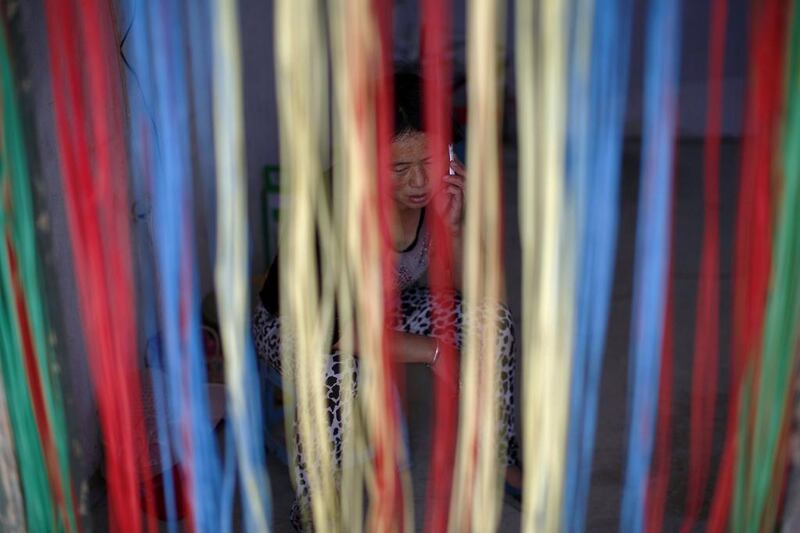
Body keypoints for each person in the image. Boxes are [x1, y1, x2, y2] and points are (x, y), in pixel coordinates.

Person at [252, 71, 521, 530]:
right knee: (336, 369)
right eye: (399, 168)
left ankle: (495, 456)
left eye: (431, 161)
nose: (419, 180)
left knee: (492, 322)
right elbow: (338, 332)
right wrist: (434, 351)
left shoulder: (442, 192)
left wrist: (455, 226)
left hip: (385, 312)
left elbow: (473, 294)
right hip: (299, 326)